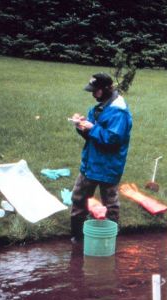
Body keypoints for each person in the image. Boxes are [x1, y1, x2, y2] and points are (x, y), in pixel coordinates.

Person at [69, 72, 133, 241]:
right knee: (78, 199)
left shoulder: (119, 112)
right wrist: (81, 126)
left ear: (106, 89)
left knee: (110, 205)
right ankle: (77, 238)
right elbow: (91, 136)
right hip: (90, 164)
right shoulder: (98, 107)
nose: (93, 94)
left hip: (108, 166)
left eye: (95, 90)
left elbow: (113, 140)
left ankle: (110, 239)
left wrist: (92, 129)